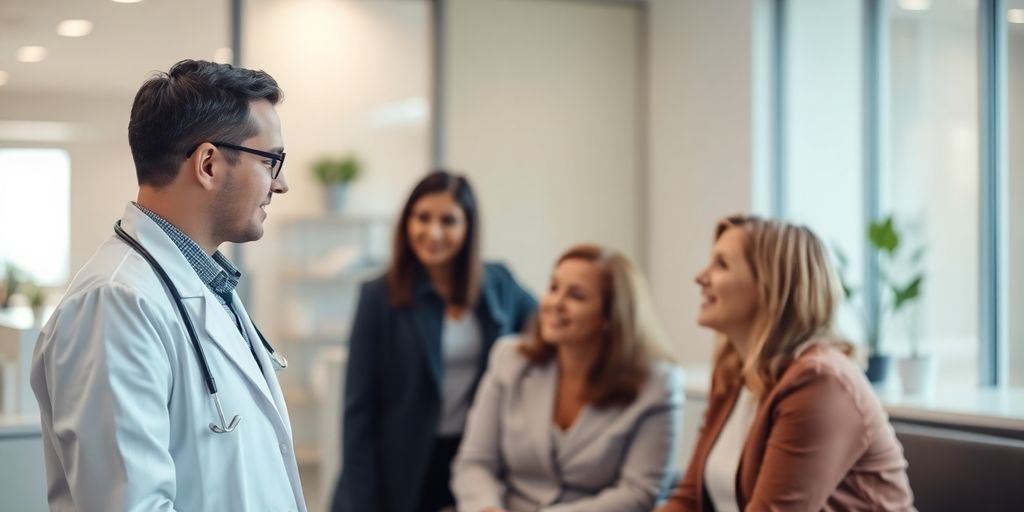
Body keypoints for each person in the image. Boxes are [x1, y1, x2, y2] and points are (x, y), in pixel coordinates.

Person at [30, 59, 305, 511]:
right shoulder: (115, 303)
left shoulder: (206, 284)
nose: (282, 183)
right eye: (272, 160)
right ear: (209, 164)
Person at [659, 215, 915, 512]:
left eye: (722, 264)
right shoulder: (733, 373)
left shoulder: (821, 381)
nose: (700, 277)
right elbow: (689, 500)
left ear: (770, 285)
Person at [330, 171, 537, 512]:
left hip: (474, 459)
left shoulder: (498, 283)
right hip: (399, 468)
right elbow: (359, 410)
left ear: (468, 227)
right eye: (422, 218)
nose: (433, 232)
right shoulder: (378, 296)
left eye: (448, 220)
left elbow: (547, 326)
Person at [451, 244, 684, 512]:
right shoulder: (510, 359)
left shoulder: (657, 385)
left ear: (610, 316)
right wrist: (486, 508)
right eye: (553, 288)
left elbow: (639, 493)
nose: (555, 304)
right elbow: (474, 462)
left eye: (576, 295)